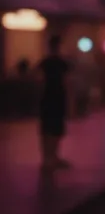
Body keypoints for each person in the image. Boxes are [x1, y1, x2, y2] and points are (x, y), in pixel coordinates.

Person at [37, 35, 72, 169]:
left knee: (46, 128)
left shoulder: (45, 62)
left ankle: (47, 158)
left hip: (46, 97)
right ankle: (53, 157)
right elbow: (67, 82)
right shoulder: (62, 63)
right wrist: (70, 101)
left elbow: (38, 79)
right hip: (58, 97)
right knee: (56, 128)